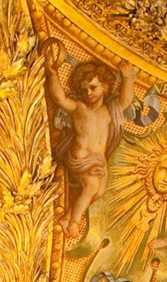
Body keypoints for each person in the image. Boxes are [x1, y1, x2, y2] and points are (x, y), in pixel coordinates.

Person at [43, 40, 133, 241]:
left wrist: (128, 78)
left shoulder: (108, 111)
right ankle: (75, 221)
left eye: (93, 88)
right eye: (84, 90)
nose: (88, 93)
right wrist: (53, 74)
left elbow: (126, 100)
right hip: (80, 158)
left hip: (99, 161)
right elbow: (58, 98)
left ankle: (66, 217)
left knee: (100, 191)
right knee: (91, 187)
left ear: (105, 87)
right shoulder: (78, 108)